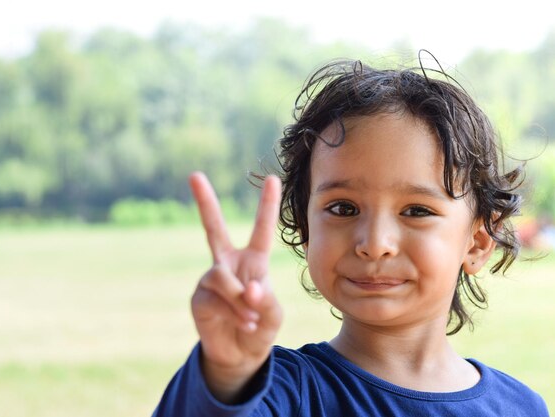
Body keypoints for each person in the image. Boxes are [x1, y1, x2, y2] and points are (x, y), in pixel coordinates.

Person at [152, 57, 550, 416]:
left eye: (416, 211)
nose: (374, 243)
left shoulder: (521, 407)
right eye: (343, 209)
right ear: (306, 229)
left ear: (477, 243)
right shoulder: (276, 393)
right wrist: (225, 372)